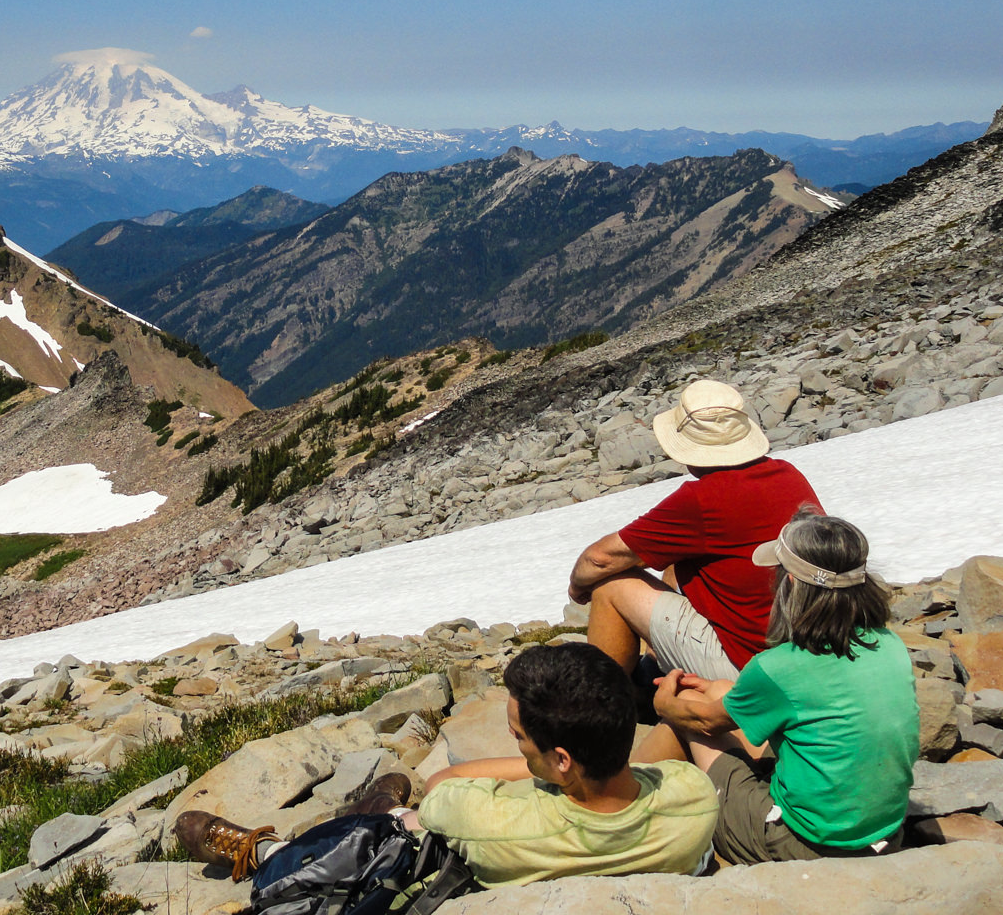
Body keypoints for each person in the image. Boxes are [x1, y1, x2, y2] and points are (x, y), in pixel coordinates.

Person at [174, 643, 718, 887]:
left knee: (394, 827)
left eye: (518, 736)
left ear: (561, 759)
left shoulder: (492, 829)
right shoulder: (692, 797)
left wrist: (524, 772)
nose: (514, 743)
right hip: (588, 797)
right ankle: (378, 806)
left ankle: (266, 850)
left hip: (456, 849)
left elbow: (441, 786)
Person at [635, 512, 919, 863]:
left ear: (793, 587)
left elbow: (706, 722)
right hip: (885, 832)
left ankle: (617, 806)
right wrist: (719, 690)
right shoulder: (889, 645)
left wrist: (665, 702)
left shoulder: (780, 665)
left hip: (802, 842)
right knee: (722, 687)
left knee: (687, 707)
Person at [569, 379, 820, 681]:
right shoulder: (788, 474)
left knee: (611, 585)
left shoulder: (703, 498)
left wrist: (577, 587)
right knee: (678, 561)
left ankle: (600, 702)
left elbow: (600, 559)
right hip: (805, 647)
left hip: (751, 661)